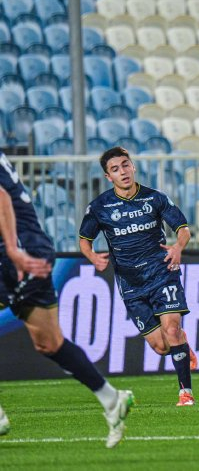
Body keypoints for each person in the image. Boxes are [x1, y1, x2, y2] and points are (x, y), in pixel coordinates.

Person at [0, 152, 133, 447]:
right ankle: (112, 400)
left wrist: (11, 249)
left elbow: (1, 198)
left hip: (16, 252)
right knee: (48, 343)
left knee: (49, 342)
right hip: (26, 248)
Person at [79, 147, 197, 407]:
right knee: (161, 347)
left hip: (162, 272)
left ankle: (186, 394)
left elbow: (183, 228)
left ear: (133, 167)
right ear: (108, 176)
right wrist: (92, 257)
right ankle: (182, 344)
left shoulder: (155, 198)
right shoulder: (99, 207)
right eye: (115, 169)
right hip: (131, 283)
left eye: (125, 165)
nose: (122, 172)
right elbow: (84, 240)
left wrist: (178, 247)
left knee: (171, 329)